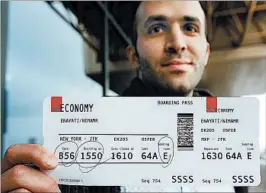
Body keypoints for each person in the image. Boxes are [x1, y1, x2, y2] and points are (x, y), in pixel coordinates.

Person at [1, 1, 248, 193]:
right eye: (156, 28)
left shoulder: (232, 137)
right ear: (133, 55)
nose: (177, 43)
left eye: (190, 28)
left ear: (206, 52)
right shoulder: (86, 138)